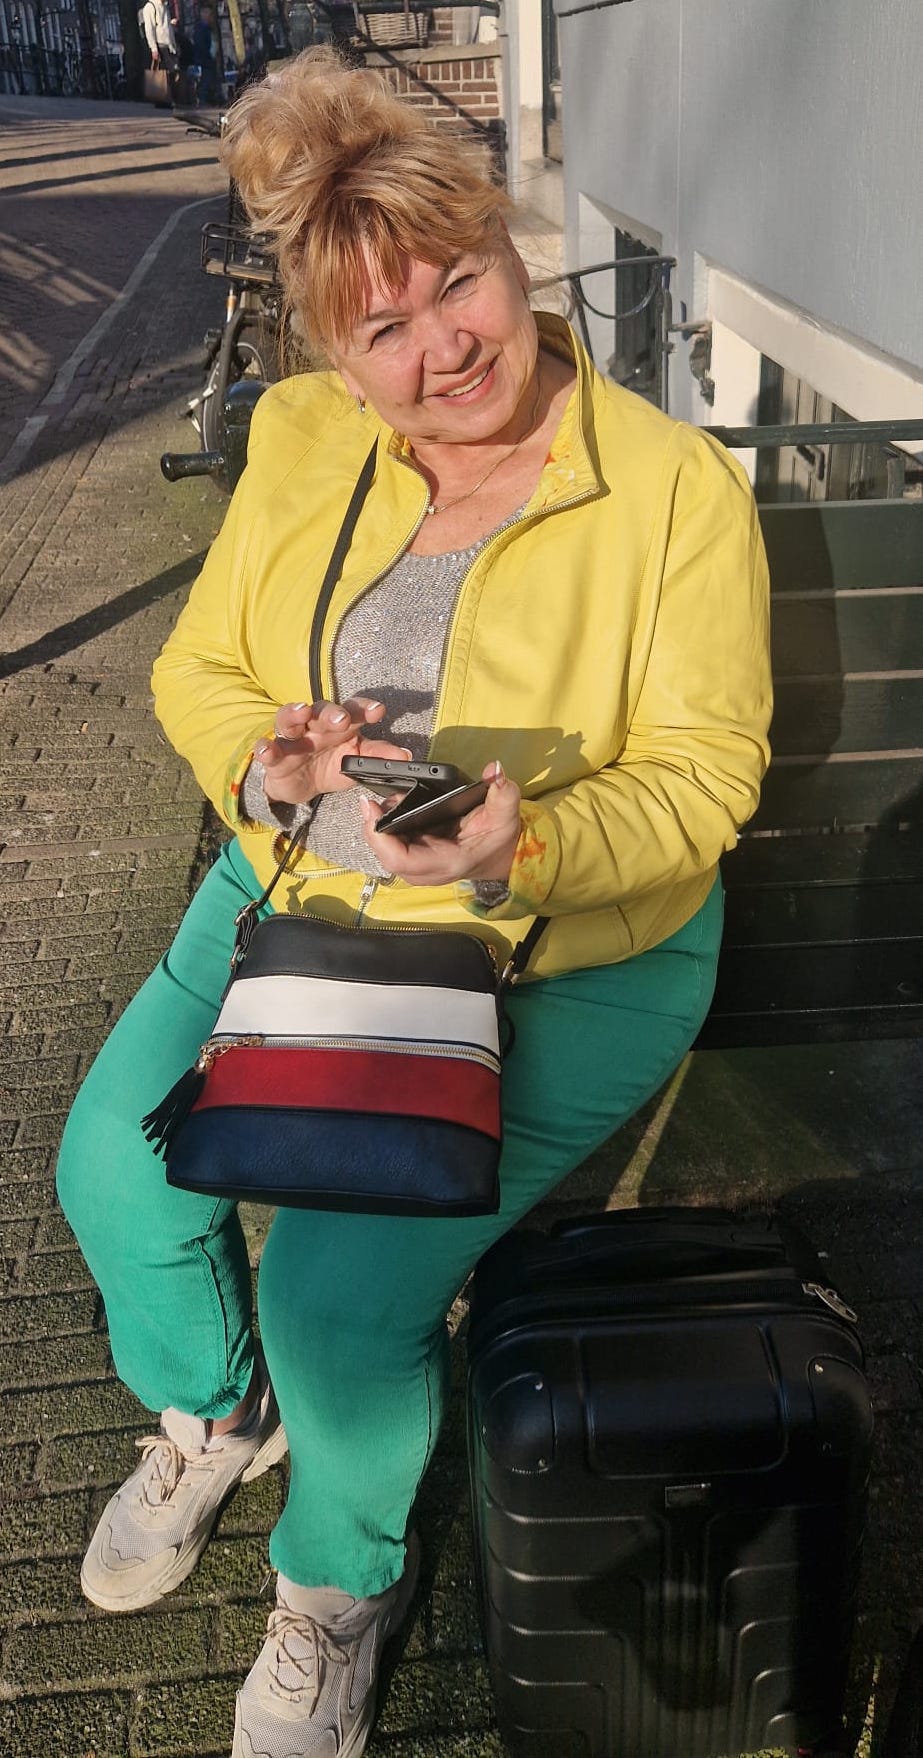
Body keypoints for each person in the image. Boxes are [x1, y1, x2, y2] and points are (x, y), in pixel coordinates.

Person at [55, 45, 772, 1758]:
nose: (442, 345)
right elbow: (200, 667)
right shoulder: (305, 440)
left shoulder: (672, 490)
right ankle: (216, 1413)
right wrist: (265, 768)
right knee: (112, 1176)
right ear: (330, 354)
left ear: (513, 254)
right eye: (382, 326)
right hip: (300, 901)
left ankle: (336, 1582)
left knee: (333, 1299)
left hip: (564, 955)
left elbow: (701, 781)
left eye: (458, 280)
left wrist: (525, 848)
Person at [140, 0, 179, 93]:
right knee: (165, 74)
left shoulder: (164, 6)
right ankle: (163, 95)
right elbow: (149, 29)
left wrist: (174, 45)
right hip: (160, 45)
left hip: (168, 45)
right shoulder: (150, 7)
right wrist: (153, 48)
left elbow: (167, 28)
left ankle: (168, 95)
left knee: (172, 73)